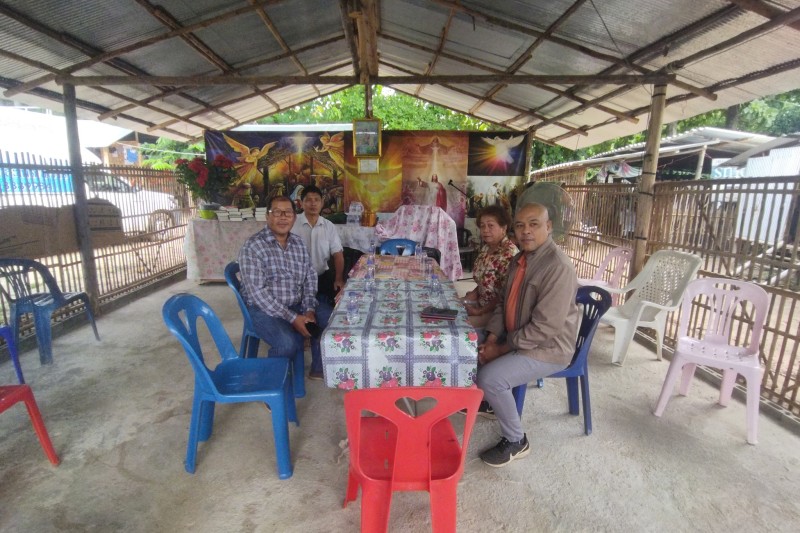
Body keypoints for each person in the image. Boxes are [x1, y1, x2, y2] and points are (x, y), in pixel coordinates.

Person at [476, 202, 580, 467]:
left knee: (490, 377)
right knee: (466, 342)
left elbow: (544, 328)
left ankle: (516, 440)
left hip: (548, 348)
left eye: (534, 224)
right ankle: (491, 402)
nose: (526, 231)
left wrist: (500, 349)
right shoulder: (519, 259)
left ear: (548, 227)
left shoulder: (557, 267)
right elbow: (502, 303)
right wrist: (491, 338)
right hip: (518, 335)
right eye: (520, 225)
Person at [238, 195, 332, 381]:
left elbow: (309, 277)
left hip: (297, 302)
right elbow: (258, 293)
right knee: (287, 343)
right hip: (264, 309)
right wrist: (293, 318)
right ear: (267, 216)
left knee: (331, 319)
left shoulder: (298, 243)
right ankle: (272, 387)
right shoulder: (253, 246)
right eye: (277, 212)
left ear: (294, 217)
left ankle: (318, 368)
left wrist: (309, 309)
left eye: (288, 212)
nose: (283, 217)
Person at [463, 205, 518, 330]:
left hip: (497, 313)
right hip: (480, 305)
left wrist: (479, 311)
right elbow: (486, 282)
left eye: (490, 225)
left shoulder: (509, 254)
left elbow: (504, 295)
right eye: (482, 226)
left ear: (503, 228)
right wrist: (469, 297)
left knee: (458, 326)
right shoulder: (487, 247)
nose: (485, 230)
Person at [292, 185, 345, 306]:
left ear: (322, 203)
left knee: (337, 304)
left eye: (316, 200)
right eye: (308, 200)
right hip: (296, 280)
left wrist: (338, 279)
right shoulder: (292, 223)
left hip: (321, 277)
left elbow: (338, 254)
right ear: (301, 203)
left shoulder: (328, 226)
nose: (313, 203)